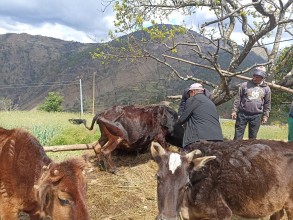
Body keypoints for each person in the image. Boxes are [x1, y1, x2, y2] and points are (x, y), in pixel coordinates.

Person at [178, 83, 223, 149]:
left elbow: (182, 119)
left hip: (198, 140)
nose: (188, 96)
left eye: (189, 94)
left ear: (192, 92)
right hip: (217, 139)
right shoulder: (210, 102)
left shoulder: (192, 100)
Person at [231, 67, 271, 140]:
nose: (255, 78)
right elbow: (238, 98)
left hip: (256, 115)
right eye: (254, 76)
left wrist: (266, 115)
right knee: (238, 136)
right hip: (242, 114)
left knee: (253, 137)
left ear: (262, 78)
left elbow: (267, 103)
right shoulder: (244, 85)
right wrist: (234, 110)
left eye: (257, 77)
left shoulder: (266, 88)